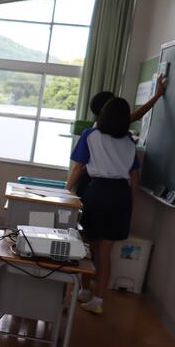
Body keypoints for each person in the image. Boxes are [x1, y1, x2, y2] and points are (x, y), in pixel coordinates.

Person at [66, 98, 140, 314]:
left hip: (98, 192)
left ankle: (84, 290)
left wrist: (66, 190)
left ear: (103, 115)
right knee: (105, 252)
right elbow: (135, 178)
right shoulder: (129, 142)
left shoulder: (91, 135)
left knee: (86, 246)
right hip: (121, 195)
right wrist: (129, 203)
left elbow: (79, 167)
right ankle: (98, 300)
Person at [75, 75, 166, 198]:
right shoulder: (98, 131)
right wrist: (157, 95)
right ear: (105, 109)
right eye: (113, 103)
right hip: (93, 184)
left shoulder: (109, 128)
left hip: (101, 186)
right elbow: (138, 114)